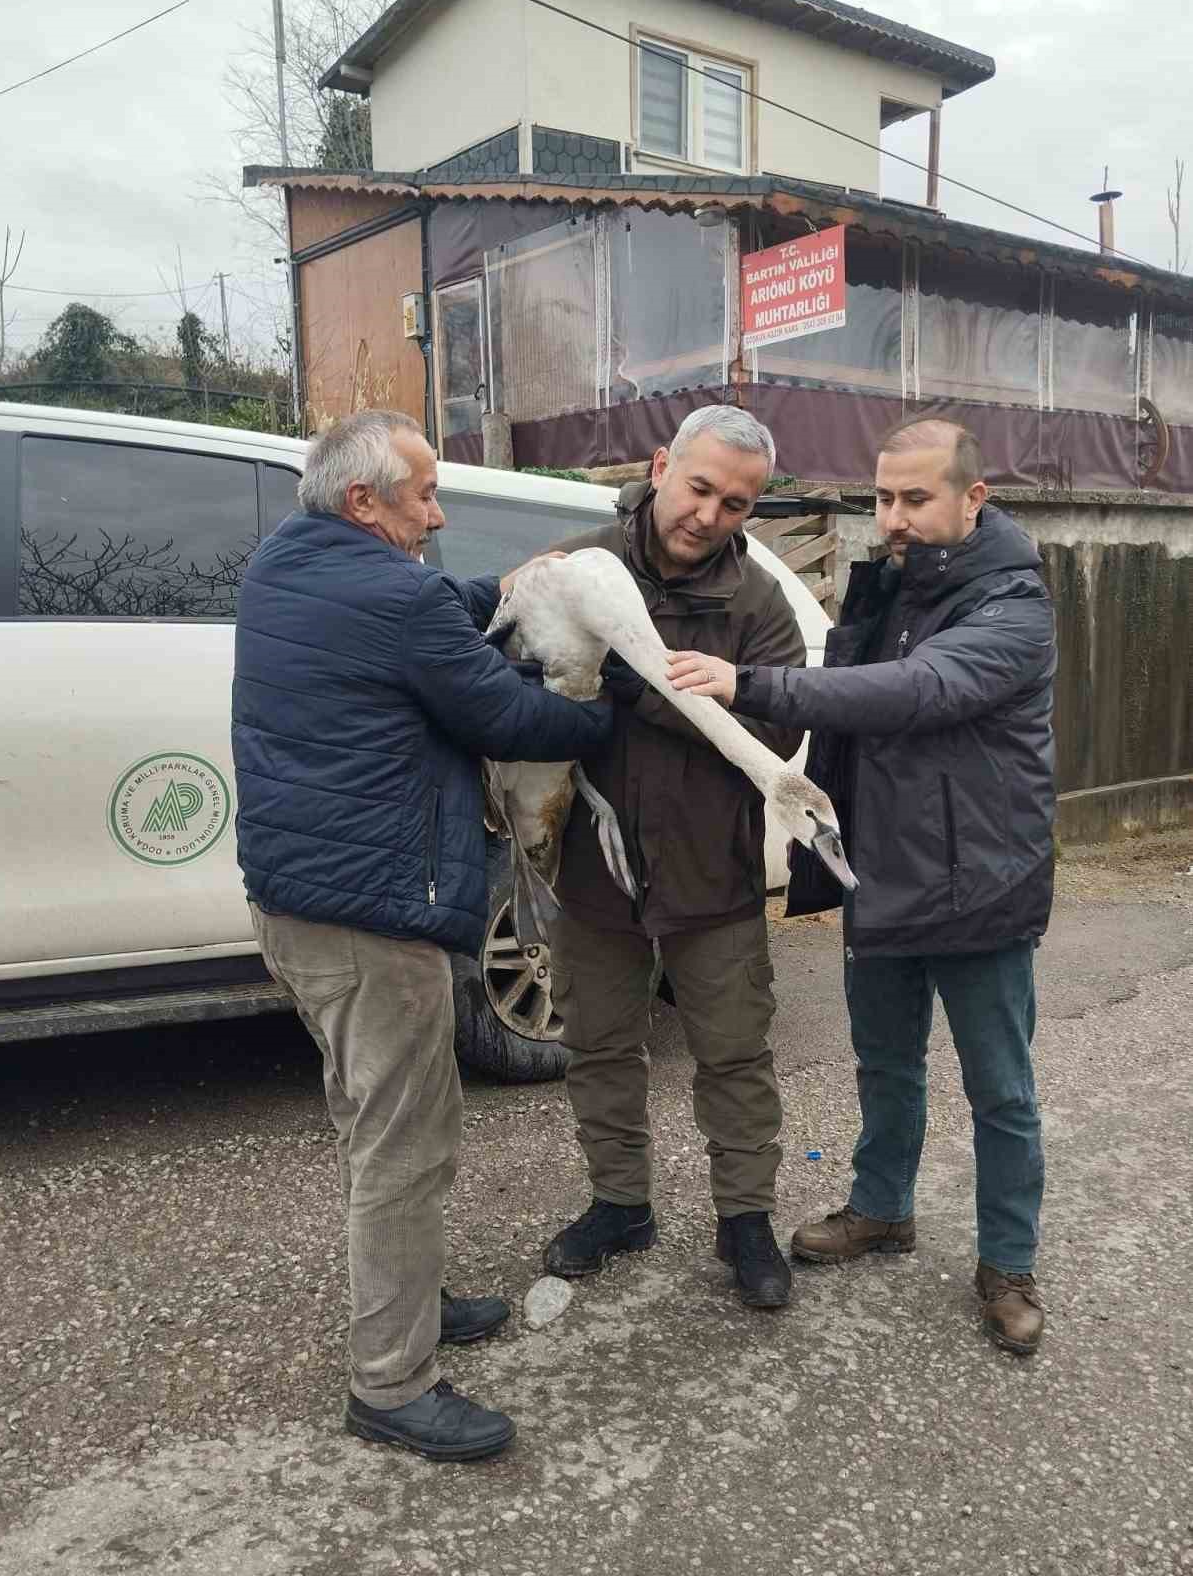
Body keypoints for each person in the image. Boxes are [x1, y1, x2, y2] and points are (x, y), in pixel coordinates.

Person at [232, 410, 614, 1461]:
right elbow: (508, 718)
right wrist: (614, 707)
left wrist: (503, 587)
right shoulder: (392, 597)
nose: (438, 514)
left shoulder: (285, 564)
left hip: (295, 907)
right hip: (372, 919)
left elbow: (434, 605)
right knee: (407, 1141)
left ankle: (407, 1303)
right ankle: (392, 1382)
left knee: (368, 1119)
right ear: (364, 503)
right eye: (423, 496)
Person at [668, 417, 1056, 1354]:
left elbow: (913, 693)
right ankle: (884, 1209)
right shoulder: (891, 588)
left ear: (974, 500)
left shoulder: (1013, 607)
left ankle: (1008, 1262)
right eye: (883, 498)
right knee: (885, 1065)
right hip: (879, 873)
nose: (893, 519)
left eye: (915, 499)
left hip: (980, 887)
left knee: (1000, 1091)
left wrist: (747, 683)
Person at [541, 405, 808, 1309]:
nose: (710, 515)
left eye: (736, 505)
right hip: (593, 870)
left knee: (734, 1055)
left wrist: (653, 692)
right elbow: (511, 676)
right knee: (599, 1046)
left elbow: (777, 726)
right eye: (699, 488)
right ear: (661, 466)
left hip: (712, 874)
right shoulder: (580, 565)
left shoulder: (755, 599)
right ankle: (620, 1205)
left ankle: (746, 1220)